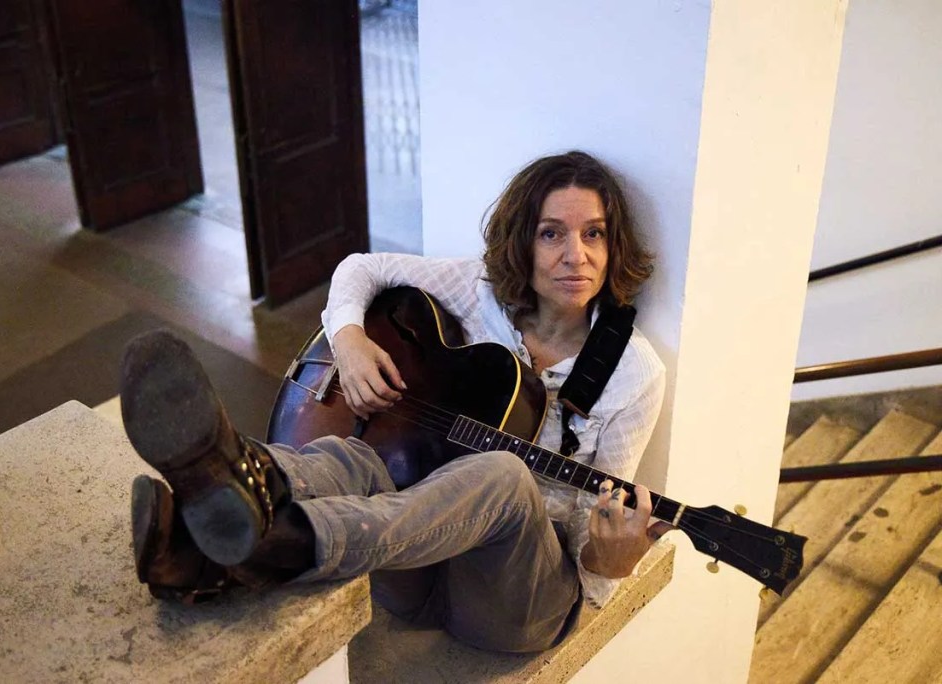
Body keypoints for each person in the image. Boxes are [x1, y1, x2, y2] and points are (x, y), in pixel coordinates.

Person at [121, 150, 668, 653]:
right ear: (522, 242)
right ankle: (233, 478)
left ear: (612, 244)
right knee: (358, 454)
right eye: (552, 234)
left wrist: (610, 558)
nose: (576, 256)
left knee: (502, 476)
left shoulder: (632, 372)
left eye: (594, 234)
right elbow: (361, 268)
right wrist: (351, 342)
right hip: (419, 563)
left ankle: (284, 545)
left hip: (514, 606)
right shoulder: (480, 292)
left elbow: (594, 567)